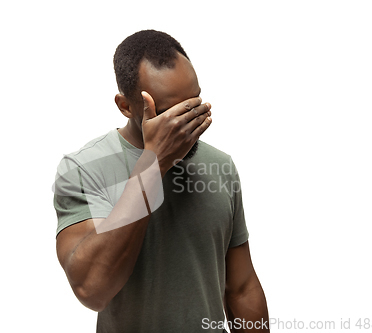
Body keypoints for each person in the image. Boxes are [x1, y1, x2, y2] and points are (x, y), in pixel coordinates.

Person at [53, 30, 269, 333]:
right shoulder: (84, 169)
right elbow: (92, 289)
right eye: (169, 113)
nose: (186, 122)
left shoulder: (221, 166)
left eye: (193, 103)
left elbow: (241, 288)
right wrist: (154, 163)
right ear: (126, 107)